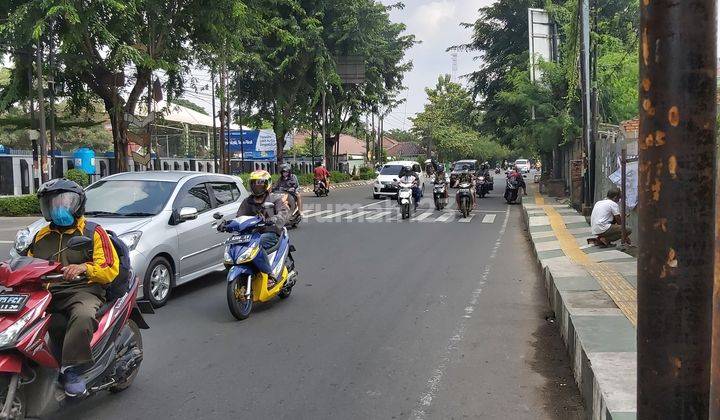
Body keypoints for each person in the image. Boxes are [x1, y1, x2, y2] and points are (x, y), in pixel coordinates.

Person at [28, 179, 120, 397]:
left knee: (82, 315)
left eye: (64, 202)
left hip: (83, 290)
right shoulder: (41, 236)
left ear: (78, 204)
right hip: (48, 291)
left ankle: (73, 370)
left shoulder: (93, 232)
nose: (58, 208)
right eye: (52, 203)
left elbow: (109, 267)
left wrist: (84, 268)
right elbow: (26, 262)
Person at [235, 170, 290, 288]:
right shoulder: (247, 201)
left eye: (260, 183)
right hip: (252, 234)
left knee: (256, 245)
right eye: (254, 183)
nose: (257, 186)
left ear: (267, 184)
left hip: (271, 232)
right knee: (237, 245)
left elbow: (284, 213)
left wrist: (273, 219)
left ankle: (270, 274)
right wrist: (228, 224)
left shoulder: (275, 199)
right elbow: (239, 216)